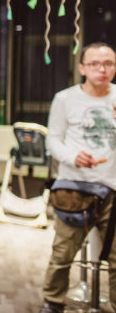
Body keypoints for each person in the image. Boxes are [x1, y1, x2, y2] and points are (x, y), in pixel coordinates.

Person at [39, 42, 116, 313]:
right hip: (75, 188)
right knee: (62, 255)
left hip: (112, 188)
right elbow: (53, 142)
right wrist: (73, 157)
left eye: (108, 63)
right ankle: (52, 302)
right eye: (94, 63)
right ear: (82, 68)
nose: (102, 69)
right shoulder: (65, 99)